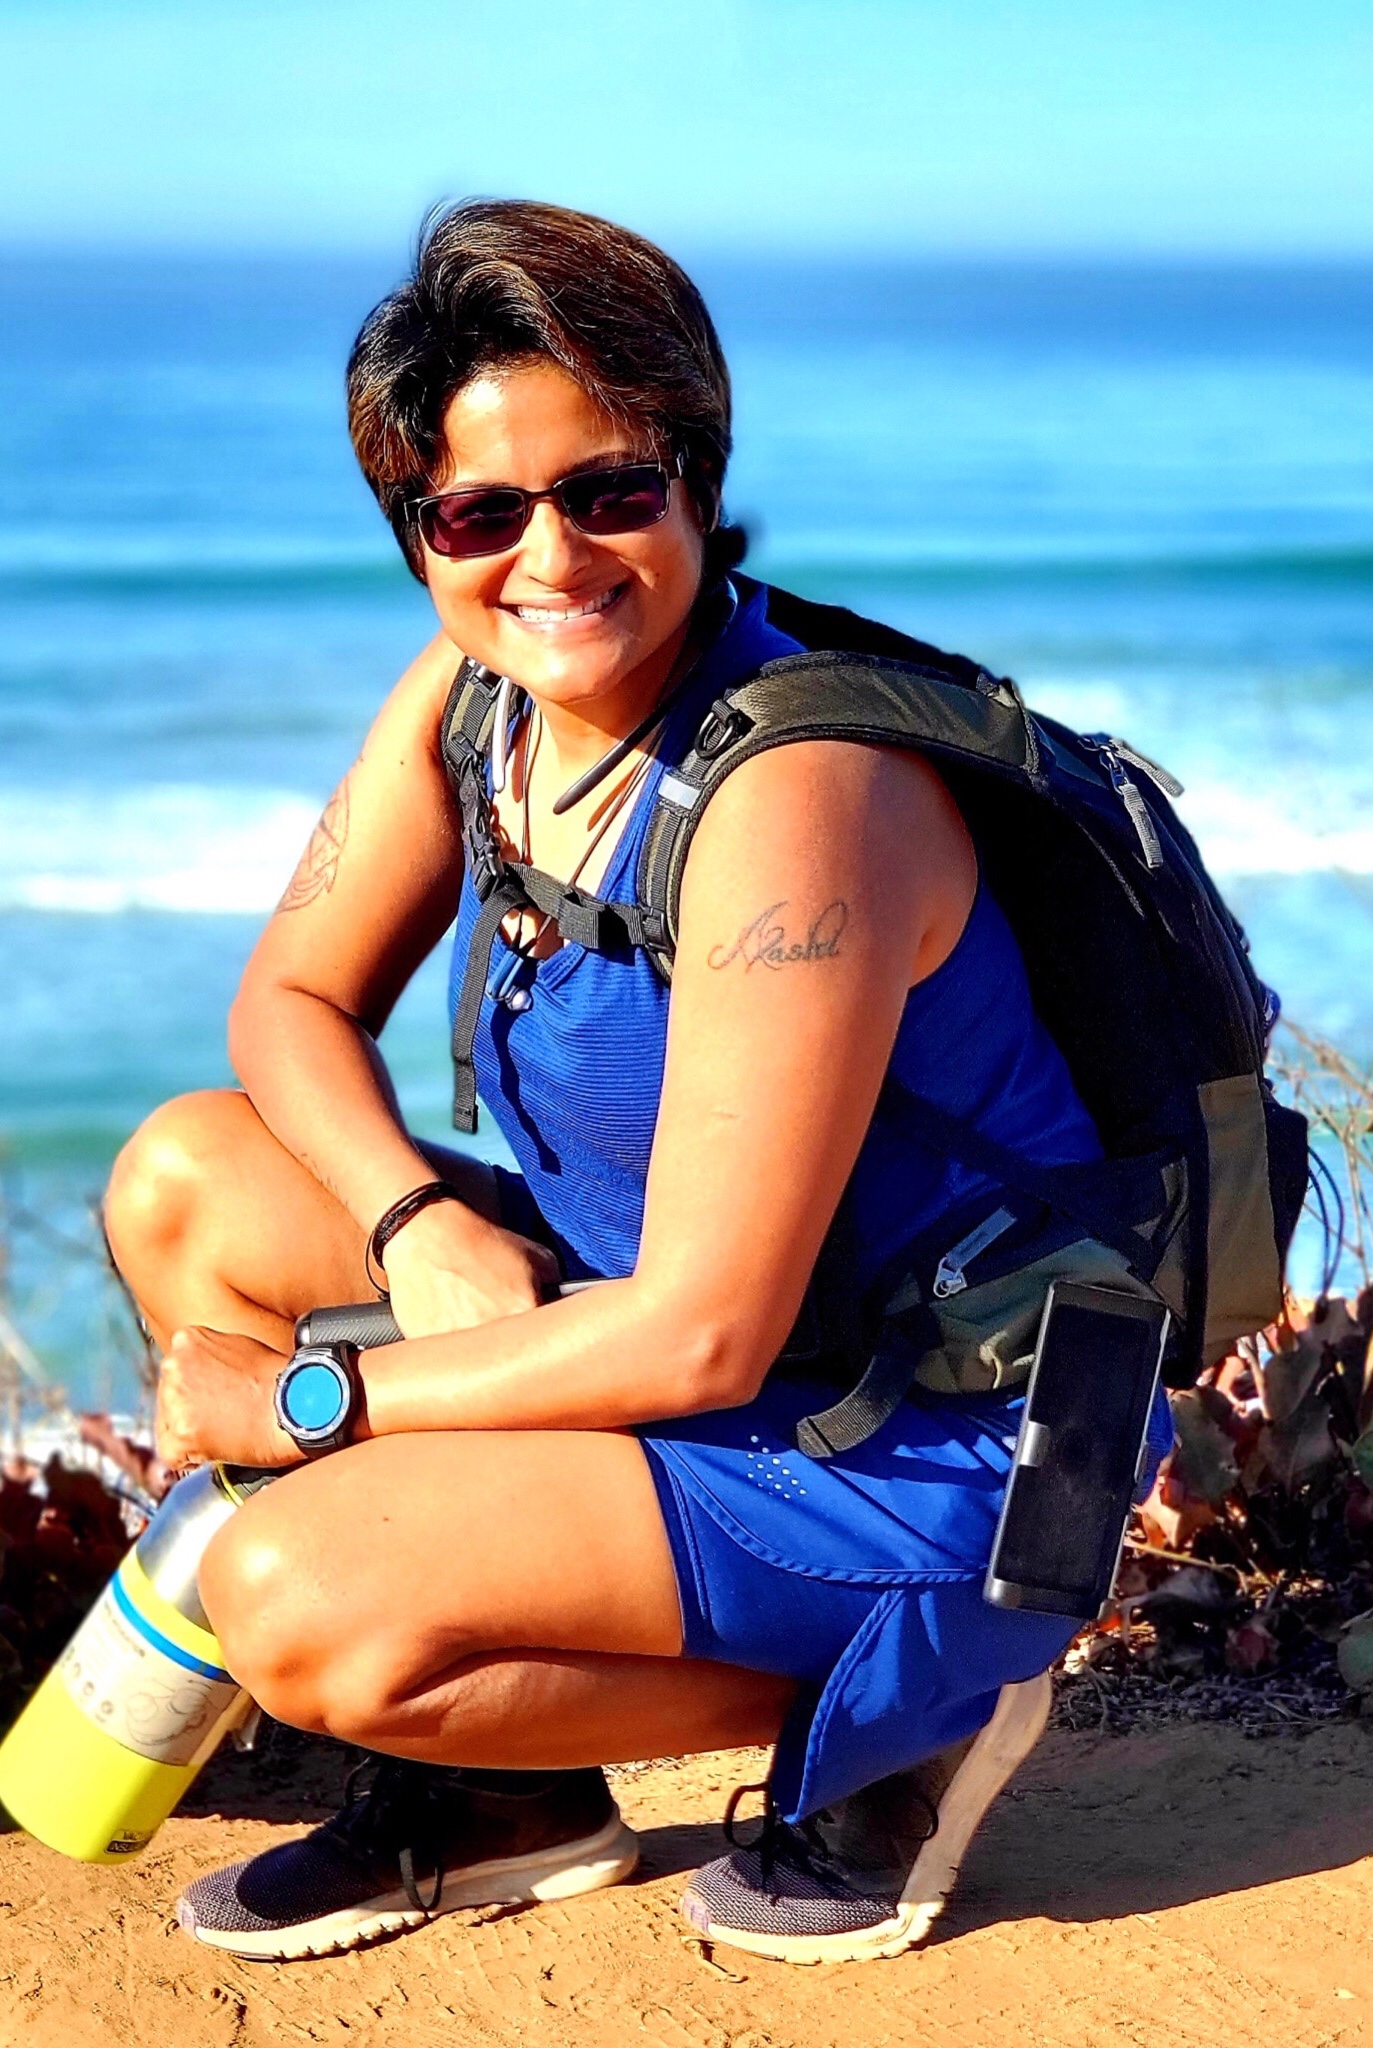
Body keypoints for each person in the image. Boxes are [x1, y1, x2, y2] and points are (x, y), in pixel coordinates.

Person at [104, 199, 1169, 1968]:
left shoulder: (792, 800)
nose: (551, 557)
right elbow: (288, 999)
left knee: (286, 1600)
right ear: (419, 530)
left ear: (693, 479)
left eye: (609, 491)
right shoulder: (483, 697)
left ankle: (926, 1690)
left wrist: (310, 1407)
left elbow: (702, 1340)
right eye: (479, 513)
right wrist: (415, 1220)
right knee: (186, 1180)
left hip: (922, 1426)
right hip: (674, 1331)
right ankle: (509, 1794)